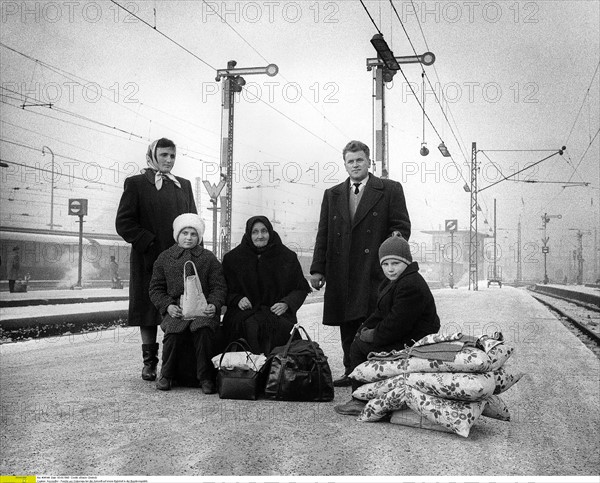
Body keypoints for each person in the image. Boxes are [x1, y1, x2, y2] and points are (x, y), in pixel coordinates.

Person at [310, 140, 411, 387]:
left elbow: (401, 225)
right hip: (341, 269)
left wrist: (394, 248)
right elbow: (323, 232)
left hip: (373, 268)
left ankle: (374, 370)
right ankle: (351, 370)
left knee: (372, 320)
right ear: (345, 165)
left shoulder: (389, 189)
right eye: (350, 161)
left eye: (359, 160)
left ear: (369, 162)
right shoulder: (332, 194)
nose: (355, 165)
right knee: (347, 321)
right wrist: (317, 268)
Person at [116, 138, 197, 382]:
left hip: (179, 259)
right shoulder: (136, 184)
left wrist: (194, 252)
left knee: (180, 308)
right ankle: (149, 364)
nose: (169, 160)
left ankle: (176, 364)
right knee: (148, 311)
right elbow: (124, 223)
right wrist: (148, 243)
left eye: (172, 156)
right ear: (153, 155)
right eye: (164, 155)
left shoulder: (183, 185)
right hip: (147, 260)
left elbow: (192, 220)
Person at [334, 235, 441, 416]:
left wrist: (371, 336)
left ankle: (360, 400)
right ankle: (370, 395)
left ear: (406, 262)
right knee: (359, 341)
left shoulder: (410, 284)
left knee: (359, 348)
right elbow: (380, 313)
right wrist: (363, 330)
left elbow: (396, 324)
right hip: (405, 333)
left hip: (415, 339)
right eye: (385, 264)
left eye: (395, 263)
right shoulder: (395, 281)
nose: (390, 269)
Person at [149, 213, 226, 393]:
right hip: (178, 310)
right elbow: (155, 288)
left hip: (203, 310)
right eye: (185, 233)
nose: (189, 238)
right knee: (173, 333)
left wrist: (214, 305)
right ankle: (166, 375)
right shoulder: (165, 258)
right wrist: (168, 306)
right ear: (177, 235)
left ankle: (205, 378)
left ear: (199, 237)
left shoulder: (208, 258)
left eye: (193, 234)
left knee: (204, 331)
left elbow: (218, 286)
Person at [222, 216, 311, 355]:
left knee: (280, 330)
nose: (260, 236)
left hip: (276, 312)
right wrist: (237, 299)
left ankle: (276, 371)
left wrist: (286, 303)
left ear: (270, 232)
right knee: (247, 328)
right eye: (255, 232)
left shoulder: (287, 257)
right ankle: (246, 373)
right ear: (248, 234)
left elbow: (300, 288)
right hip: (244, 313)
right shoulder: (232, 259)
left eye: (264, 231)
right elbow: (222, 289)